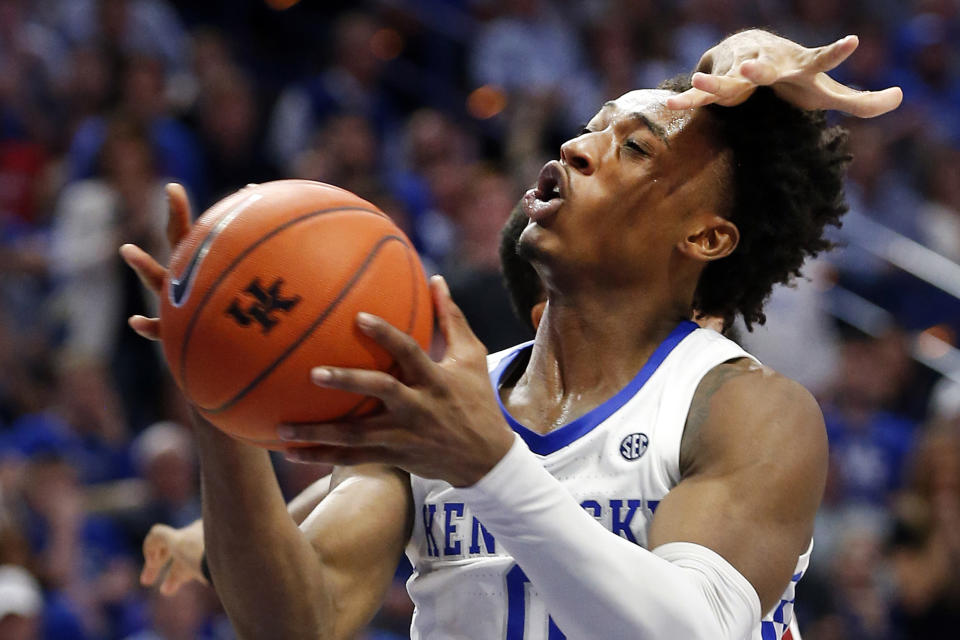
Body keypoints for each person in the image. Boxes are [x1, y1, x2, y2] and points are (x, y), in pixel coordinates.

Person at [123, 30, 901, 640]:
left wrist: (491, 468)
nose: (574, 147)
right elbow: (301, 619)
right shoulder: (437, 408)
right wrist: (217, 377)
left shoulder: (744, 409)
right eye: (593, 130)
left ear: (706, 238)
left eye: (632, 148)